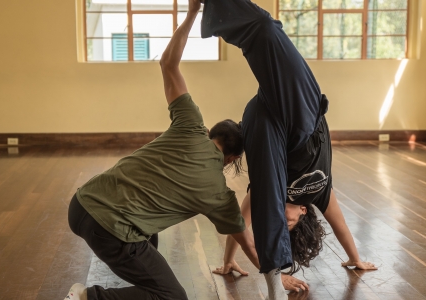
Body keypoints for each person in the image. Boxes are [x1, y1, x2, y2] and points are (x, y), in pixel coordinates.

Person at [63, 0, 264, 299]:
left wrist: (193, 11)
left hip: (81, 204)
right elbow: (247, 240)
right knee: (171, 297)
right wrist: (277, 276)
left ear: (211, 133)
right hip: (107, 228)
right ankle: (87, 297)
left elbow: (168, 63)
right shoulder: (218, 194)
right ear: (232, 158)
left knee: (150, 239)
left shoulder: (190, 123)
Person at [200, 0, 377, 294]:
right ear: (303, 214)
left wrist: (228, 260)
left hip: (267, 130)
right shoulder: (320, 195)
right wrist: (355, 259)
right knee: (268, 31)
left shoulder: (265, 192)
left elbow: (238, 223)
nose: (285, 218)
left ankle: (273, 278)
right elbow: (342, 228)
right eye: (290, 223)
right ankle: (217, 10)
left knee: (264, 187)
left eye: (283, 224)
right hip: (304, 121)